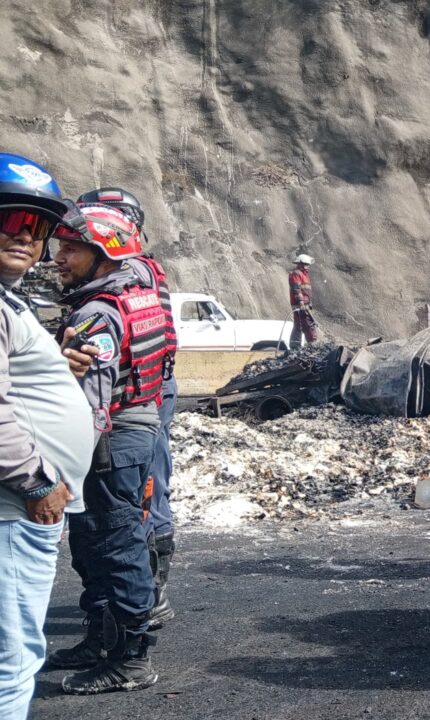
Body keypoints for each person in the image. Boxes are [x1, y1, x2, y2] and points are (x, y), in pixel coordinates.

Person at [46, 204, 162, 694]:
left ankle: (128, 659)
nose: (58, 258)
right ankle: (100, 640)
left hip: (111, 441)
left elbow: (91, 405)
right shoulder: (135, 291)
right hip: (132, 432)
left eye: (71, 248)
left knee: (113, 545)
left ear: (105, 253)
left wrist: (62, 472)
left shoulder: (96, 313)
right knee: (100, 543)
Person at [0, 154, 93, 718]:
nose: (27, 237)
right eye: (11, 221)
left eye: (37, 228)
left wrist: (55, 366)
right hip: (16, 506)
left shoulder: (8, 301)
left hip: (17, 506)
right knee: (13, 660)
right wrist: (35, 482)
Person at [78, 187, 179, 629]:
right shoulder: (142, 270)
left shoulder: (124, 274)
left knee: (129, 505)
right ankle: (137, 599)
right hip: (149, 387)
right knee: (146, 489)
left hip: (134, 396)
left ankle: (140, 603)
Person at [289, 253, 319, 346]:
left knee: (299, 325)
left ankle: (295, 346)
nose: (307, 267)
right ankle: (312, 343)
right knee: (308, 324)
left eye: (308, 265)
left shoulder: (304, 275)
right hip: (300, 305)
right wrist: (301, 302)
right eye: (306, 264)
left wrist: (309, 304)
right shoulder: (297, 273)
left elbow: (306, 292)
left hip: (304, 305)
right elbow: (296, 289)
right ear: (300, 264)